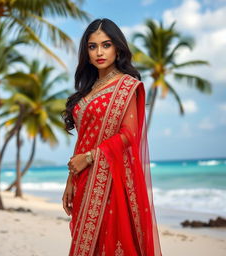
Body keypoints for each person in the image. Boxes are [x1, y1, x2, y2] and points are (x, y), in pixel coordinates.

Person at [62, 18, 162, 256]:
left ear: (118, 48)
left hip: (112, 179)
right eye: (92, 46)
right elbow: (83, 139)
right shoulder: (87, 91)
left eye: (106, 45)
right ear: (86, 51)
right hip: (83, 178)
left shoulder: (128, 86)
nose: (99, 52)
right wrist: (71, 179)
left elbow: (129, 134)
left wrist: (89, 157)